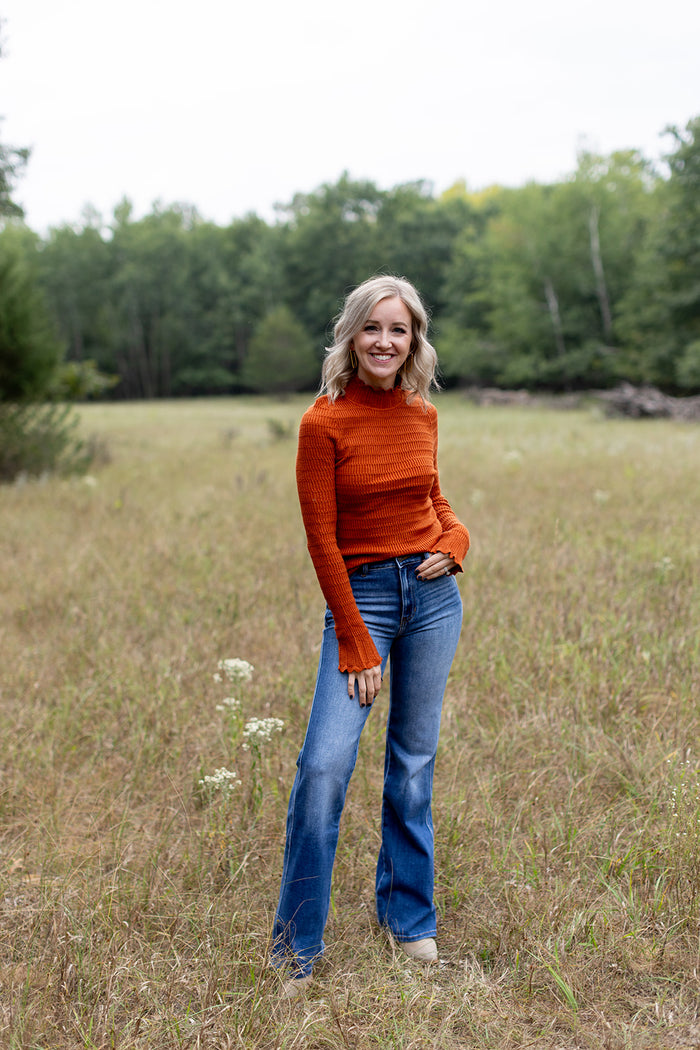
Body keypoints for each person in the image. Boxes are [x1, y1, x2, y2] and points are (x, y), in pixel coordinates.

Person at [271, 275, 469, 994]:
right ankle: (296, 949)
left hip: (435, 598)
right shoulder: (322, 422)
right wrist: (354, 637)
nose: (386, 342)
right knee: (324, 767)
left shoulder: (423, 414)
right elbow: (322, 539)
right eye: (372, 328)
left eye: (400, 330)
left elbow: (433, 499)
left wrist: (459, 537)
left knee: (413, 764)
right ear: (351, 336)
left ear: (414, 339)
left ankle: (408, 918)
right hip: (363, 602)